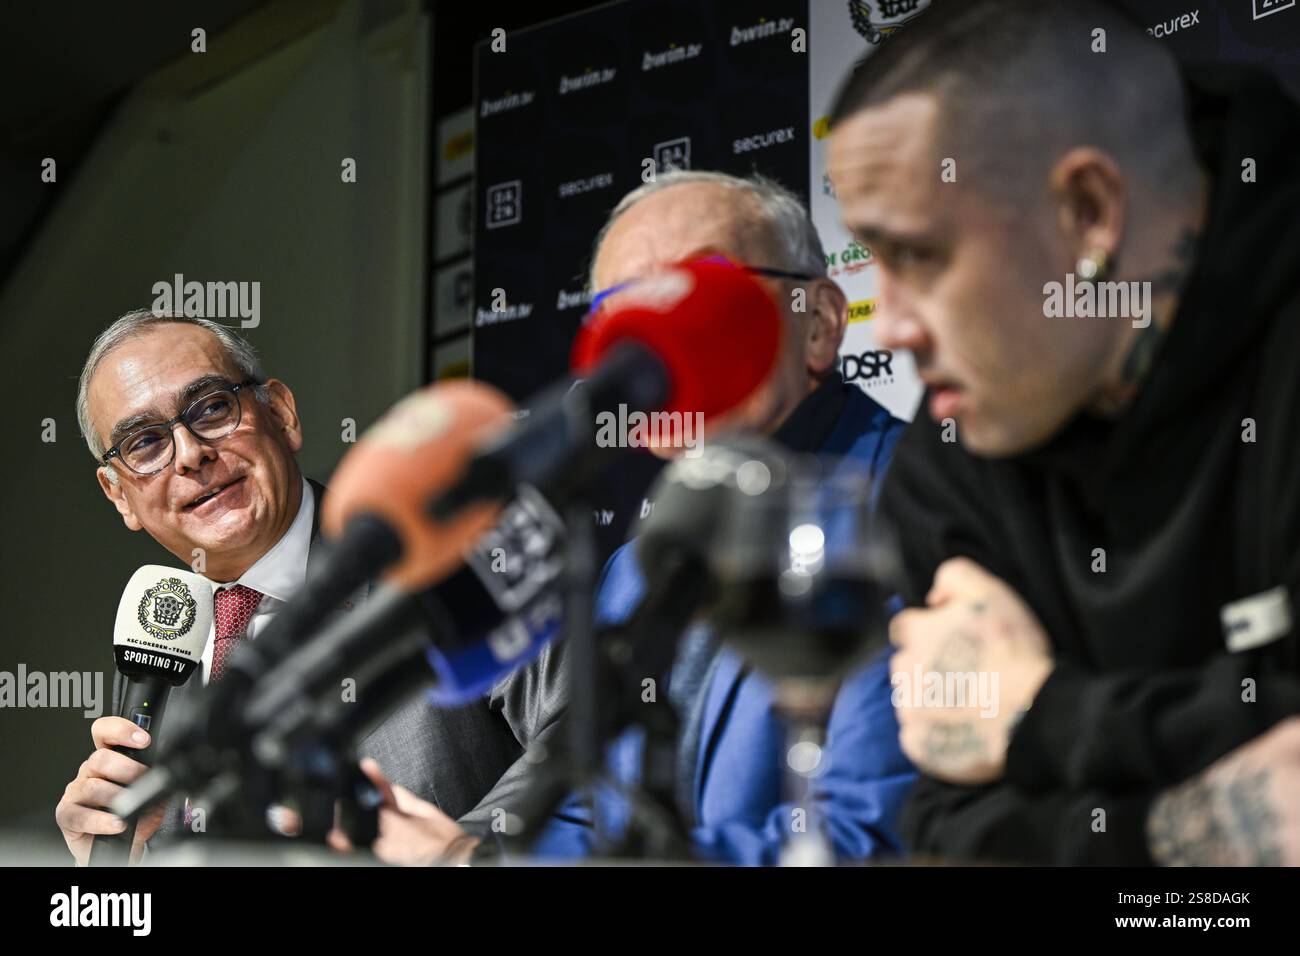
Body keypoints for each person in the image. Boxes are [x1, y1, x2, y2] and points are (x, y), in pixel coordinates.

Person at [826, 0, 1300, 864]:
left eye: (917, 256)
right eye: (871, 262)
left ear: (1087, 213)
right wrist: (1195, 826)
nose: (888, 326)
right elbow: (947, 834)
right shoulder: (954, 447)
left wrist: (1043, 716)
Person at [353, 170, 916, 865]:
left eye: (700, 291)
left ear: (822, 323)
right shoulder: (634, 569)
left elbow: (871, 842)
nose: (661, 342)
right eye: (626, 315)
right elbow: (597, 813)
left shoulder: (918, 506)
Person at [54, 312, 557, 864]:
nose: (191, 454)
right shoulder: (160, 657)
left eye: (212, 408)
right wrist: (118, 869)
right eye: (145, 442)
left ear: (281, 413)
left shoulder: (440, 548)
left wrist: (462, 855)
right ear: (119, 494)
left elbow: (587, 736)